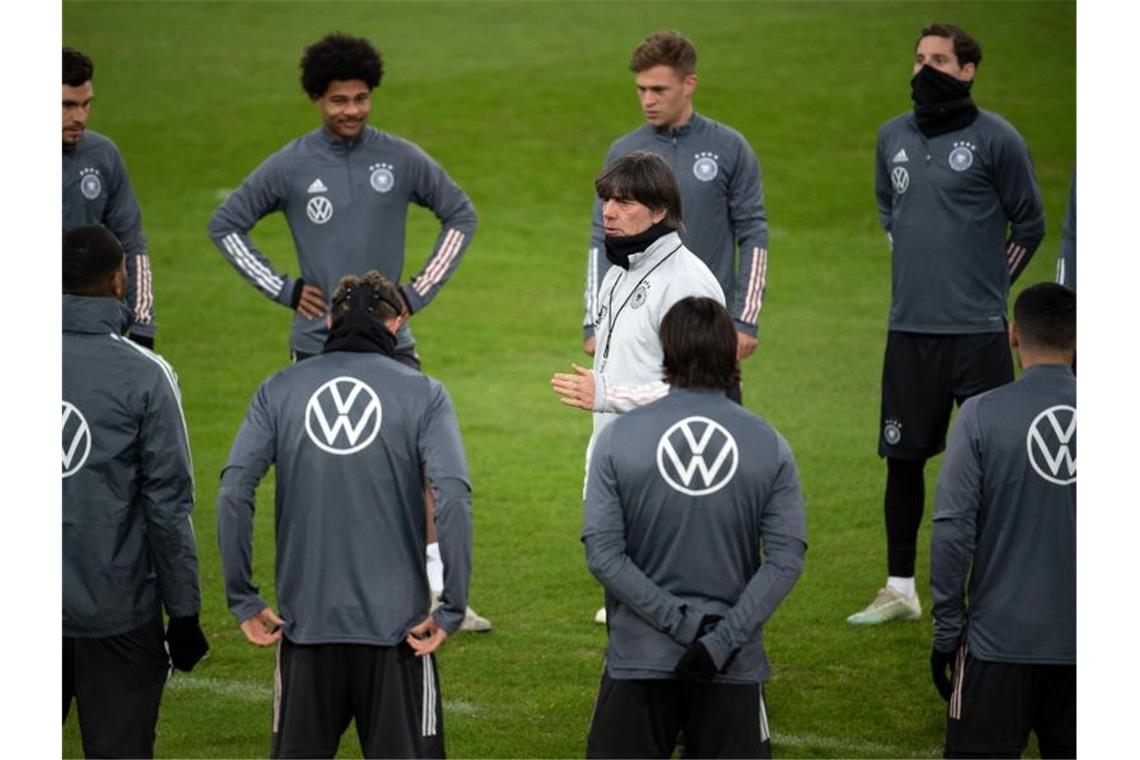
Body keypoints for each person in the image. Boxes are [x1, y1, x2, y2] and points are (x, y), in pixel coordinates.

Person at [208, 32, 488, 631]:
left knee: (420, 470)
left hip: (393, 345)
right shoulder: (290, 165)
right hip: (313, 346)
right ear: (316, 98)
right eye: (339, 100)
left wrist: (417, 292)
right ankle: (320, 587)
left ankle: (439, 585)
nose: (353, 111)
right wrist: (283, 288)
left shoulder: (402, 159)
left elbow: (461, 214)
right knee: (320, 469)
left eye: (362, 98)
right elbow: (226, 225)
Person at [217, 270, 473, 758]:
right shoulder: (424, 394)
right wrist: (453, 605)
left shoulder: (279, 389)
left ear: (330, 321)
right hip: (400, 633)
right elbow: (453, 496)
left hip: (305, 628)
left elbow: (233, 491)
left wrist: (242, 598)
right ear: (396, 323)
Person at [848, 22, 1046, 625]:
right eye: (918, 59)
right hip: (910, 330)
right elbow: (890, 208)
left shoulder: (997, 140)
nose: (925, 69)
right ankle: (900, 588)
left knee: (992, 463)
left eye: (938, 59)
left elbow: (1029, 223)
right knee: (903, 460)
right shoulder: (892, 138)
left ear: (967, 71)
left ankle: (997, 587)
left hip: (979, 332)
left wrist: (990, 285)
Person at [582, 296, 807, 759]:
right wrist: (718, 640)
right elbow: (785, 560)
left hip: (639, 662)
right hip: (731, 664)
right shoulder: (769, 444)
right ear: (730, 351)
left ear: (666, 352)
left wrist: (679, 622)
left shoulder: (617, 439)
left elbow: (604, 555)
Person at [553, 151, 724, 622]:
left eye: (625, 202)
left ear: (660, 210)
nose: (608, 212)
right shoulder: (618, 274)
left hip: (668, 468)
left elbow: (705, 391)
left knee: (667, 610)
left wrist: (607, 394)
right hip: (617, 458)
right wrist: (603, 389)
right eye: (606, 199)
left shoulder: (688, 284)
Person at [63, 225, 208, 757]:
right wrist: (185, 613)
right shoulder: (146, 375)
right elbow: (168, 507)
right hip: (118, 616)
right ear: (119, 280)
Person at [581, 29, 769, 398]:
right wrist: (593, 321)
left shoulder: (729, 148)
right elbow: (599, 237)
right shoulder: (625, 151)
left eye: (659, 90)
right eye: (641, 89)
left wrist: (745, 320)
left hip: (707, 327)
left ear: (689, 84)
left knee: (710, 433)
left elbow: (753, 233)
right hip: (637, 326)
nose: (647, 100)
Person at [930, 282, 1075, 758]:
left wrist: (948, 630)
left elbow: (952, 531)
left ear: (1013, 334)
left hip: (997, 646)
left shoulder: (980, 416)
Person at [62, 47, 157, 348]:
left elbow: (131, 240)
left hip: (88, 325)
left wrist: (143, 322)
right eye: (66, 105)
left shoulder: (102, 155)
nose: (79, 117)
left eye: (85, 105)